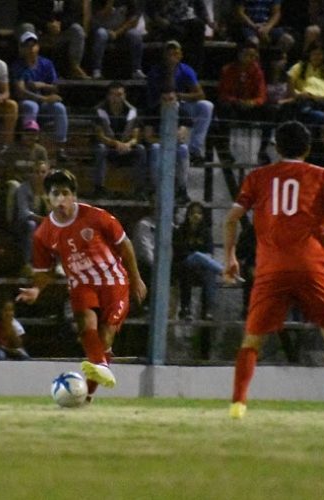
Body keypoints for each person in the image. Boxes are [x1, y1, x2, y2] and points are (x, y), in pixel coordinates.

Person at [222, 120, 324, 421]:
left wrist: (230, 257)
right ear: (309, 148)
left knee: (252, 339)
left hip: (271, 267)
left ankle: (238, 404)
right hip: (312, 266)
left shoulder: (258, 176)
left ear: (276, 147)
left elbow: (231, 219)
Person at [16, 169, 147, 403]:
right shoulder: (43, 233)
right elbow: (44, 272)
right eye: (55, 194)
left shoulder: (96, 217)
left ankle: (87, 394)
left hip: (113, 281)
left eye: (65, 193)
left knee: (105, 338)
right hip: (81, 284)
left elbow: (125, 245)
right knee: (87, 325)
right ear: (48, 197)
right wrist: (36, 289)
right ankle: (102, 366)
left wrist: (136, 279)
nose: (61, 199)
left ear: (74, 196)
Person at [145, 40, 214, 166]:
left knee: (207, 106)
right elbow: (157, 96)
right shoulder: (156, 71)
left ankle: (195, 150)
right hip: (161, 106)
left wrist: (180, 96)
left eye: (176, 53)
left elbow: (200, 94)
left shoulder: (185, 70)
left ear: (180, 55)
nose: (172, 56)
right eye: (169, 53)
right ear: (164, 55)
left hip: (181, 104)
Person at [11, 31, 69, 160]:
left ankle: (61, 148)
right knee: (31, 106)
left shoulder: (46, 63)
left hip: (44, 105)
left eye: (33, 45)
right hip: (25, 103)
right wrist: (44, 98)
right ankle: (28, 144)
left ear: (38, 46)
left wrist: (41, 85)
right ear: (21, 48)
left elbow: (55, 87)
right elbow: (20, 91)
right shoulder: (18, 66)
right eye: (27, 46)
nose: (31, 49)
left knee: (60, 108)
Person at [212, 42, 268, 165]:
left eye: (253, 56)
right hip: (234, 107)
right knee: (223, 107)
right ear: (239, 55)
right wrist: (237, 102)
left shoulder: (257, 71)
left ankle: (263, 151)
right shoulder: (228, 70)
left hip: (251, 107)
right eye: (247, 55)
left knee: (270, 110)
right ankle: (225, 150)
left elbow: (262, 95)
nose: (251, 58)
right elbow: (223, 94)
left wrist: (253, 102)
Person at [92, 80, 146, 198]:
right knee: (100, 149)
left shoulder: (132, 111)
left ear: (124, 95)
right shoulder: (99, 110)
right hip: (109, 147)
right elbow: (100, 136)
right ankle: (98, 188)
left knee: (140, 149)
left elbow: (135, 137)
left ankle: (140, 190)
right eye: (113, 94)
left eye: (120, 94)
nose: (116, 98)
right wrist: (116, 143)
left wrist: (128, 144)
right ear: (108, 96)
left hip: (126, 148)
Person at [173, 200, 223, 321]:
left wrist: (200, 258)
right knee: (194, 260)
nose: (196, 216)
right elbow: (179, 252)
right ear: (188, 215)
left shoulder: (206, 232)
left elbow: (210, 252)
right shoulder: (180, 231)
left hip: (201, 267)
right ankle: (185, 308)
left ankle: (208, 310)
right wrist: (196, 256)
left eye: (199, 213)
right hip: (184, 264)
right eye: (193, 213)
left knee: (209, 273)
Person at [17, 0, 90, 79]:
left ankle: (74, 67)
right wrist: (46, 25)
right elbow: (26, 14)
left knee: (77, 30)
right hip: (37, 27)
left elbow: (73, 14)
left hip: (58, 30)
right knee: (27, 27)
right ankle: (27, 68)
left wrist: (60, 25)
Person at [89, 0, 145, 79]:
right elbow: (96, 19)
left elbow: (133, 20)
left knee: (135, 35)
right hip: (104, 28)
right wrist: (109, 5)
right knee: (100, 34)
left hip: (122, 30)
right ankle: (96, 70)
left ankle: (136, 70)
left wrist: (117, 32)